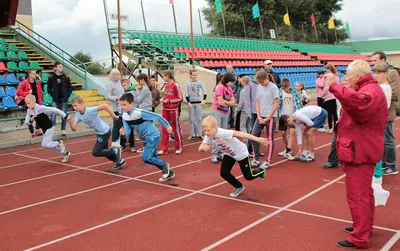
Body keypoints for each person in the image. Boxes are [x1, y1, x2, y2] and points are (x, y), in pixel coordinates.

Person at [327, 60, 388, 249]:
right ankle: (364, 227)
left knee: (358, 195)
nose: (346, 78)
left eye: (349, 74)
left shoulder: (369, 92)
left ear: (359, 76)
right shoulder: (370, 89)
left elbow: (357, 105)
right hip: (361, 148)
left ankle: (360, 237)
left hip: (360, 151)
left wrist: (334, 85)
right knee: (364, 193)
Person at [199, 116, 267, 197]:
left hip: (241, 153)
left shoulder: (222, 133)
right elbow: (200, 148)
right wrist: (203, 148)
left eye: (208, 130)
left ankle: (261, 171)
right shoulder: (208, 135)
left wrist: (257, 139)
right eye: (204, 131)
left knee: (248, 176)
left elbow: (240, 134)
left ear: (215, 127)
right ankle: (239, 186)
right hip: (229, 154)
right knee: (224, 173)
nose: (206, 133)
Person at [119, 93, 175, 182]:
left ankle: (164, 165)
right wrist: (124, 133)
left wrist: (167, 125)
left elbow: (157, 116)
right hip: (146, 138)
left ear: (132, 104)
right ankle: (168, 172)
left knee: (146, 158)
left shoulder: (140, 113)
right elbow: (128, 131)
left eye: (125, 105)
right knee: (153, 157)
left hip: (152, 135)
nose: (123, 107)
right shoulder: (125, 116)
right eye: (121, 105)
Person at [67, 95, 125, 170]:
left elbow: (105, 106)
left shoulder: (90, 110)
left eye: (76, 106)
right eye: (73, 106)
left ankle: (115, 150)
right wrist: (70, 122)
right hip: (100, 133)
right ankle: (119, 161)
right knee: (104, 151)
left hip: (104, 131)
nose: (74, 108)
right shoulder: (78, 115)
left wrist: (113, 116)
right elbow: (74, 128)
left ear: (82, 104)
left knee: (96, 152)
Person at [371, 51, 400, 175]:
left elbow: (395, 92)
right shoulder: (376, 74)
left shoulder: (392, 73)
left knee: (388, 139)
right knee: (380, 139)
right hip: (377, 113)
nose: (372, 63)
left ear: (382, 60)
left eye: (375, 61)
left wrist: (381, 96)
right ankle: (383, 162)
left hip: (388, 112)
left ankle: (392, 165)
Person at [24, 94, 71, 163]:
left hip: (50, 127)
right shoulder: (29, 111)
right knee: (49, 146)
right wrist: (31, 120)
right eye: (26, 104)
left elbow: (54, 110)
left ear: (34, 101)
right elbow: (27, 123)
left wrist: (65, 116)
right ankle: (65, 153)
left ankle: (59, 142)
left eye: (29, 103)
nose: (27, 105)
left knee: (45, 144)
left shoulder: (41, 108)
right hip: (44, 130)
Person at [250, 70, 279, 169]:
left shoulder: (273, 87)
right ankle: (256, 159)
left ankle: (268, 161)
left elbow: (276, 104)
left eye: (262, 82)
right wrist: (258, 115)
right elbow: (257, 102)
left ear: (266, 78)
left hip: (270, 117)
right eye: (259, 83)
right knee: (254, 136)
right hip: (260, 116)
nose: (261, 84)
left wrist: (269, 117)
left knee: (269, 138)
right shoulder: (259, 87)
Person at [323, 76, 348, 169]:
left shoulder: (353, 94)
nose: (345, 85)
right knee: (335, 142)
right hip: (340, 121)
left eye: (347, 83)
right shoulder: (339, 95)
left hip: (350, 123)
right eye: (344, 83)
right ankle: (333, 161)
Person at [211, 73, 236, 163]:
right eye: (231, 82)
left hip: (226, 111)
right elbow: (220, 102)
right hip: (218, 111)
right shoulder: (220, 87)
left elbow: (233, 102)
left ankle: (221, 152)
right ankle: (214, 153)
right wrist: (228, 102)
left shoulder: (229, 89)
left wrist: (226, 102)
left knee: (223, 132)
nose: (232, 84)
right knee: (216, 132)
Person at [158, 70, 183, 155]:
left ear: (168, 76)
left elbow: (180, 98)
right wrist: (163, 99)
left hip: (173, 109)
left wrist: (169, 101)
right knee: (164, 128)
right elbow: (166, 96)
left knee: (176, 128)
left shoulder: (175, 85)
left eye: (164, 76)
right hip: (165, 109)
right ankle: (164, 148)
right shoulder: (166, 86)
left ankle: (178, 147)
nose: (163, 78)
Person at [277, 78, 302, 161]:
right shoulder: (280, 93)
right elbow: (278, 105)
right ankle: (287, 148)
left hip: (292, 116)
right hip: (283, 116)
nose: (286, 89)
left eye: (287, 87)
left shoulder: (294, 92)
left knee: (292, 133)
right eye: (284, 87)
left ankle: (288, 150)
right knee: (283, 133)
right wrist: (278, 116)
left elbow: (299, 103)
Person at [16, 69, 43, 138]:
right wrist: (27, 93)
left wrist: (40, 102)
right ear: (29, 74)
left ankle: (37, 130)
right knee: (30, 118)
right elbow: (18, 92)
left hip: (36, 102)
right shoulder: (24, 83)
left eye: (35, 73)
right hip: (28, 103)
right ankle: (32, 132)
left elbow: (39, 93)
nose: (35, 75)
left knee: (39, 116)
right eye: (33, 74)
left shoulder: (37, 82)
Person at [47, 62, 72, 136]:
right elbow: (48, 88)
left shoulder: (66, 76)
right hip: (55, 99)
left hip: (64, 98)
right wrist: (53, 95)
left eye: (61, 66)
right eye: (59, 66)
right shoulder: (51, 77)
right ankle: (52, 129)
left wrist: (67, 95)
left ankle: (63, 129)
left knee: (64, 114)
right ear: (55, 68)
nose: (61, 68)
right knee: (53, 114)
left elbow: (70, 87)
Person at [184, 69, 207, 140]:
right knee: (191, 119)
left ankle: (200, 134)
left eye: (195, 75)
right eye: (193, 75)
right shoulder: (187, 83)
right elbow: (186, 93)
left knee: (199, 119)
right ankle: (192, 134)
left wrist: (204, 99)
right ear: (190, 75)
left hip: (198, 103)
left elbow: (205, 91)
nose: (194, 76)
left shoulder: (200, 83)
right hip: (191, 103)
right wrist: (188, 102)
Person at [106, 68, 125, 148]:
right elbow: (108, 96)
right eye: (115, 74)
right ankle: (114, 141)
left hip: (122, 106)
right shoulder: (109, 83)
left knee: (122, 124)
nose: (116, 76)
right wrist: (116, 98)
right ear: (112, 75)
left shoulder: (119, 82)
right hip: (115, 108)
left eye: (117, 74)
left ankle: (121, 142)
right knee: (116, 125)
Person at [321, 64, 339, 133]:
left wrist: (322, 95)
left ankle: (330, 128)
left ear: (328, 69)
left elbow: (326, 88)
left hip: (328, 97)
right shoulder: (336, 77)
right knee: (335, 113)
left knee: (330, 113)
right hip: (334, 96)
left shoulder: (328, 77)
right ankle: (336, 126)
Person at [121, 79, 137, 152]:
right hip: (124, 113)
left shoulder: (132, 92)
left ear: (128, 84)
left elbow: (135, 102)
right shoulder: (124, 92)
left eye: (125, 85)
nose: (124, 87)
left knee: (131, 129)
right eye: (123, 85)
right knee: (124, 128)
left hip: (131, 113)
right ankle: (123, 145)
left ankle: (132, 145)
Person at [237, 76, 252, 144]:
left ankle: (246, 142)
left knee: (242, 126)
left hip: (244, 110)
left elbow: (241, 102)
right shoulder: (252, 89)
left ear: (244, 82)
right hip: (250, 110)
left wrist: (237, 110)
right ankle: (250, 141)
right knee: (249, 126)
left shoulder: (243, 91)